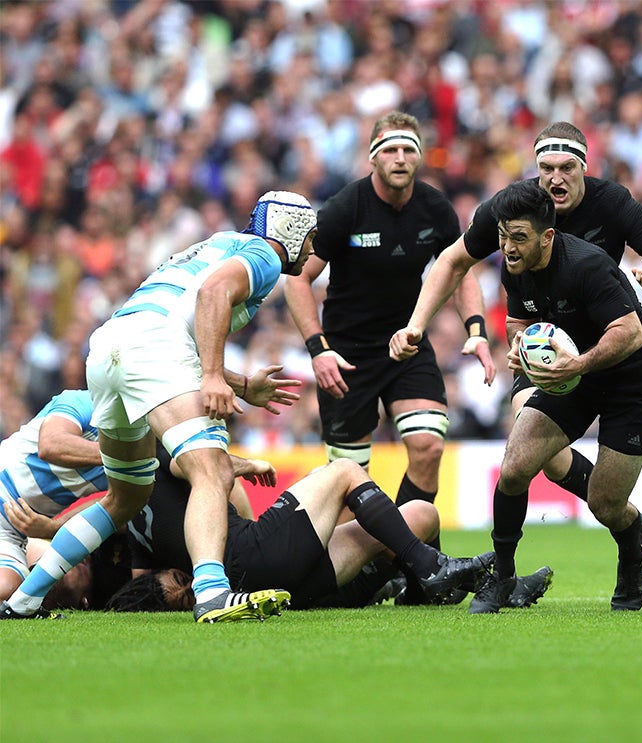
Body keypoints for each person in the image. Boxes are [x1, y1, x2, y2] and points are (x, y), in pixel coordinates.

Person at [390, 122, 642, 606]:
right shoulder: (512, 217)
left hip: (618, 357)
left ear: (584, 167)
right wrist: (421, 325)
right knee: (523, 457)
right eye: (546, 168)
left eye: (566, 167)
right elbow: (455, 264)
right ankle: (506, 577)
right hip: (551, 353)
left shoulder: (611, 209)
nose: (555, 178)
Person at [1, 191, 318, 623]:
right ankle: (211, 592)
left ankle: (24, 600)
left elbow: (182, 316)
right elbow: (213, 294)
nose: (314, 248)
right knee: (211, 469)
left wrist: (241, 385)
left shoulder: (220, 242)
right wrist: (211, 376)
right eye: (311, 237)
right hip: (155, 350)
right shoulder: (264, 255)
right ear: (292, 230)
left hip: (111, 347)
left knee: (124, 498)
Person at [285, 112, 495, 566]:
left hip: (407, 343)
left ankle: (401, 560)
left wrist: (477, 331)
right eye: (391, 150)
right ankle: (345, 575)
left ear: (420, 157)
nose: (400, 159)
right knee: (348, 479)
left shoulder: (436, 208)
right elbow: (298, 280)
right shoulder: (346, 207)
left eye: (409, 150)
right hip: (346, 355)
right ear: (373, 158)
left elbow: (459, 270)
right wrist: (318, 350)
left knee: (428, 446)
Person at [457, 181, 642, 612]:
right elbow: (518, 320)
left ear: (547, 236)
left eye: (519, 238)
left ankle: (631, 539)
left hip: (631, 380)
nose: (508, 248)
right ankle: (502, 578)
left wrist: (578, 365)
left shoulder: (588, 266)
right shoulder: (513, 266)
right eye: (503, 236)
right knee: (514, 467)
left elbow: (628, 333)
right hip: (572, 374)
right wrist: (518, 347)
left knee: (605, 504)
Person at [103, 449, 508, 612]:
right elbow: (201, 464)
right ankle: (432, 568)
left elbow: (143, 585)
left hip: (280, 585)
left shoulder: (133, 513)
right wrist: (248, 464)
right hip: (252, 557)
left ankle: (419, 587)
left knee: (420, 514)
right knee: (344, 472)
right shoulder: (161, 454)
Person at [0, 390, 108, 606]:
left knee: (5, 591)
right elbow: (51, 445)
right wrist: (126, 456)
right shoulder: (83, 402)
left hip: (10, 533)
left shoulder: (143, 447)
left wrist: (54, 526)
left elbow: (113, 502)